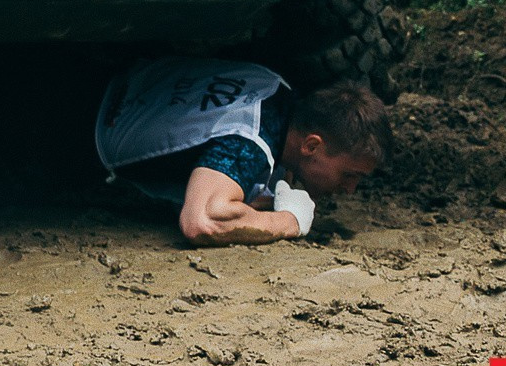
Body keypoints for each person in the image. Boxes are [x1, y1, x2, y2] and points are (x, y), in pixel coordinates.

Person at [93, 57, 391, 246]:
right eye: (350, 175)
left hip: (113, 74)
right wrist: (288, 221)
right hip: (75, 132)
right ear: (311, 145)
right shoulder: (247, 141)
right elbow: (203, 221)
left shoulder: (275, 87)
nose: (351, 189)